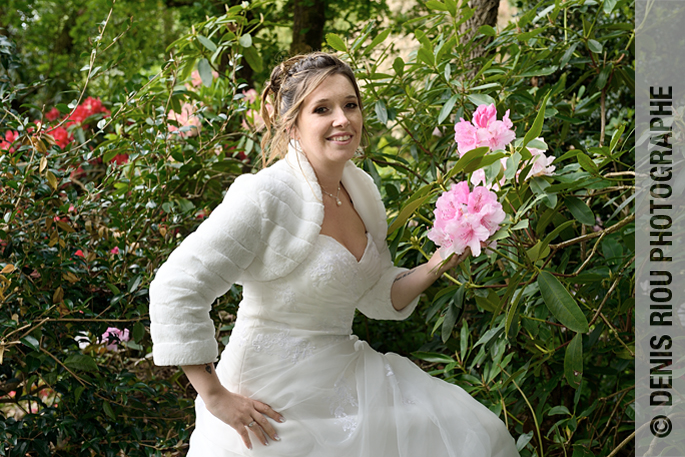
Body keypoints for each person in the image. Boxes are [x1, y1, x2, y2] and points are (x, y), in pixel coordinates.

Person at [149, 52, 520, 457]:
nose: (342, 119)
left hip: (342, 374)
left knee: (466, 431)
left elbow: (377, 291)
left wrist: (437, 263)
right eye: (322, 109)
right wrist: (215, 396)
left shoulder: (361, 192)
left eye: (350, 105)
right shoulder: (264, 195)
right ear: (293, 123)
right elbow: (176, 286)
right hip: (269, 399)